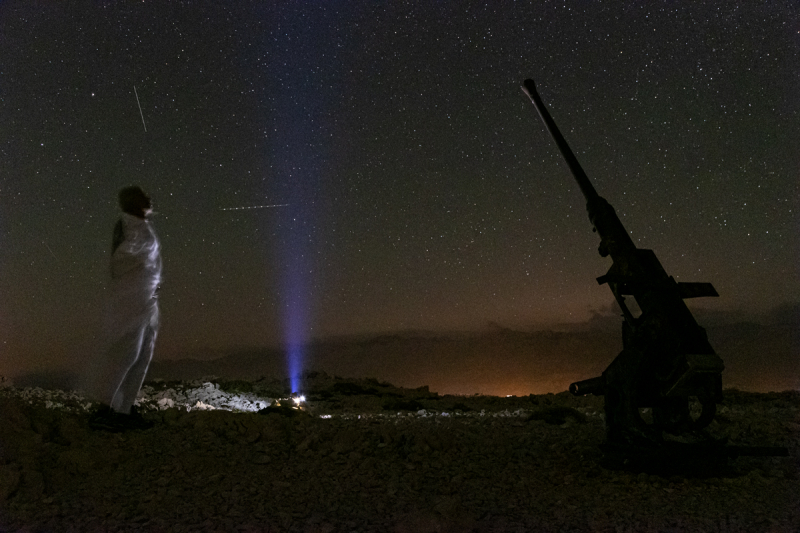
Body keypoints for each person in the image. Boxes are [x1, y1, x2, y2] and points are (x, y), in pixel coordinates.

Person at [90, 186, 162, 431]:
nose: (150, 198)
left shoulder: (142, 226)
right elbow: (119, 260)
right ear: (133, 202)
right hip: (131, 299)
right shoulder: (126, 224)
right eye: (144, 196)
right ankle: (104, 408)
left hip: (146, 299)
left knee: (142, 356)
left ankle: (124, 410)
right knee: (127, 353)